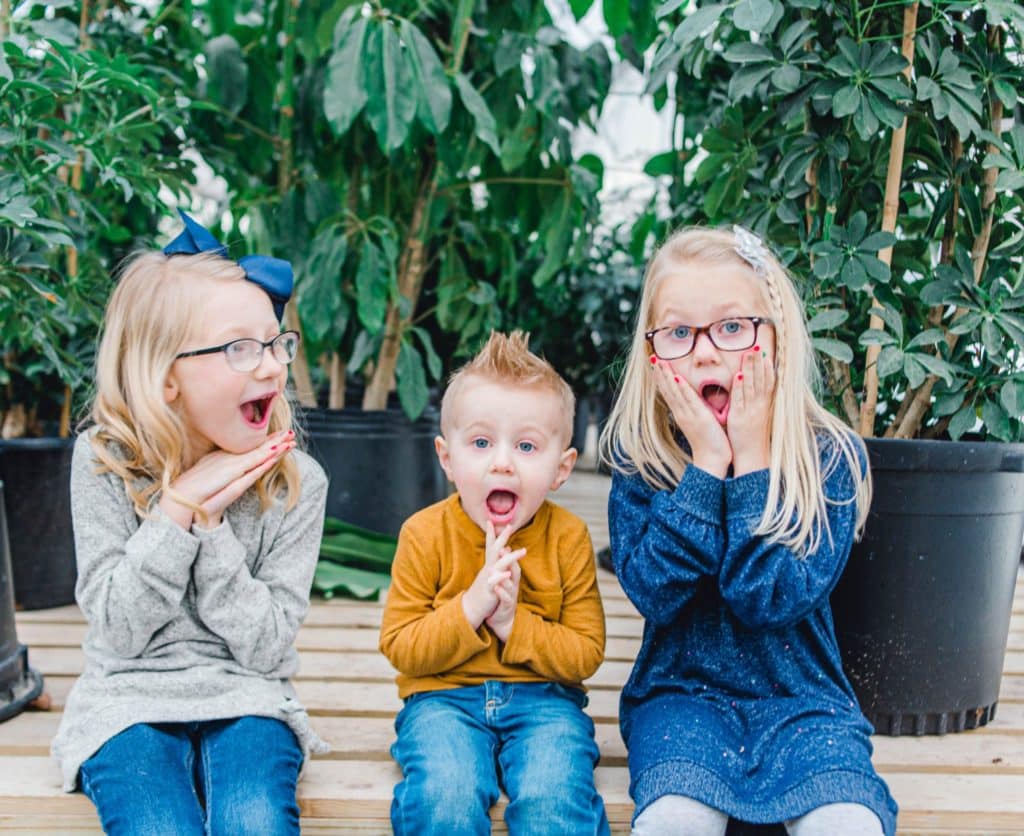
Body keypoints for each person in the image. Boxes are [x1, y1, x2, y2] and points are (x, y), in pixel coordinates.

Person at [599, 226, 898, 836]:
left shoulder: (830, 463)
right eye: (680, 333)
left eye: (732, 328)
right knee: (673, 822)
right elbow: (655, 591)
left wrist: (753, 461)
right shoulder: (644, 462)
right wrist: (707, 470)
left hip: (803, 705)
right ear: (652, 354)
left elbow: (768, 599)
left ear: (777, 337)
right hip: (683, 701)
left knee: (847, 824)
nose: (705, 352)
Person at [52, 211, 329, 835]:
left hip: (249, 696)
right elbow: (120, 631)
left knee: (256, 821)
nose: (270, 366)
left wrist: (211, 527)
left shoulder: (297, 482)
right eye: (239, 348)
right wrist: (175, 511)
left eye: (274, 342)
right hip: (126, 701)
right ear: (164, 376)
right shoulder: (103, 463)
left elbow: (267, 648)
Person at [379, 330, 610, 836]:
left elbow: (586, 652)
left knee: (554, 800)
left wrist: (511, 623)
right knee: (445, 796)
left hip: (545, 702)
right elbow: (400, 646)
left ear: (562, 468)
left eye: (526, 446)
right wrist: (471, 607)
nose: (501, 461)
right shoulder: (423, 534)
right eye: (481, 443)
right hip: (442, 701)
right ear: (447, 457)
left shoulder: (568, 538)